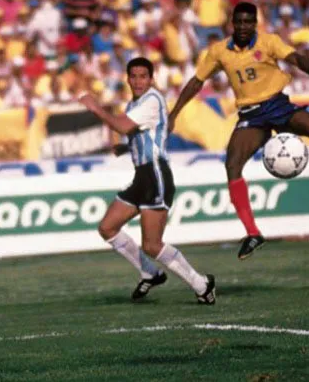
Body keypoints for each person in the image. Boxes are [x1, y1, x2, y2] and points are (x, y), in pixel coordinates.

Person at [168, 2, 309, 260]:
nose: (242, 27)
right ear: (233, 23)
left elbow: (295, 58)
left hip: (278, 106)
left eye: (247, 22)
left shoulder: (269, 42)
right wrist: (174, 113)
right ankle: (253, 233)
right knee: (232, 165)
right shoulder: (219, 51)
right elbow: (196, 82)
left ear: (254, 23)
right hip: (250, 116)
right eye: (238, 22)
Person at [78, 57, 216, 304]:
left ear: (151, 79)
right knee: (107, 228)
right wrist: (127, 150)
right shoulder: (135, 104)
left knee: (152, 245)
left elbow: (121, 127)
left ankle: (201, 284)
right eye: (134, 76)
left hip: (156, 177)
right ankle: (149, 273)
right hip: (142, 176)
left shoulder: (152, 99)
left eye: (143, 76)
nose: (138, 81)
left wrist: (96, 107)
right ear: (128, 79)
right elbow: (144, 134)